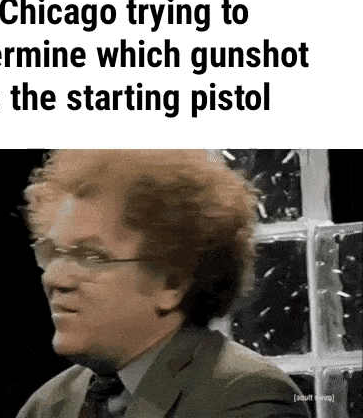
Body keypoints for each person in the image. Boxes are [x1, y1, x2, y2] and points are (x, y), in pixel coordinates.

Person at [17, 150, 310, 418]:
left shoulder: (245, 397)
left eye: (92, 256)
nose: (55, 278)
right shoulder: (47, 406)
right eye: (53, 253)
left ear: (172, 283)